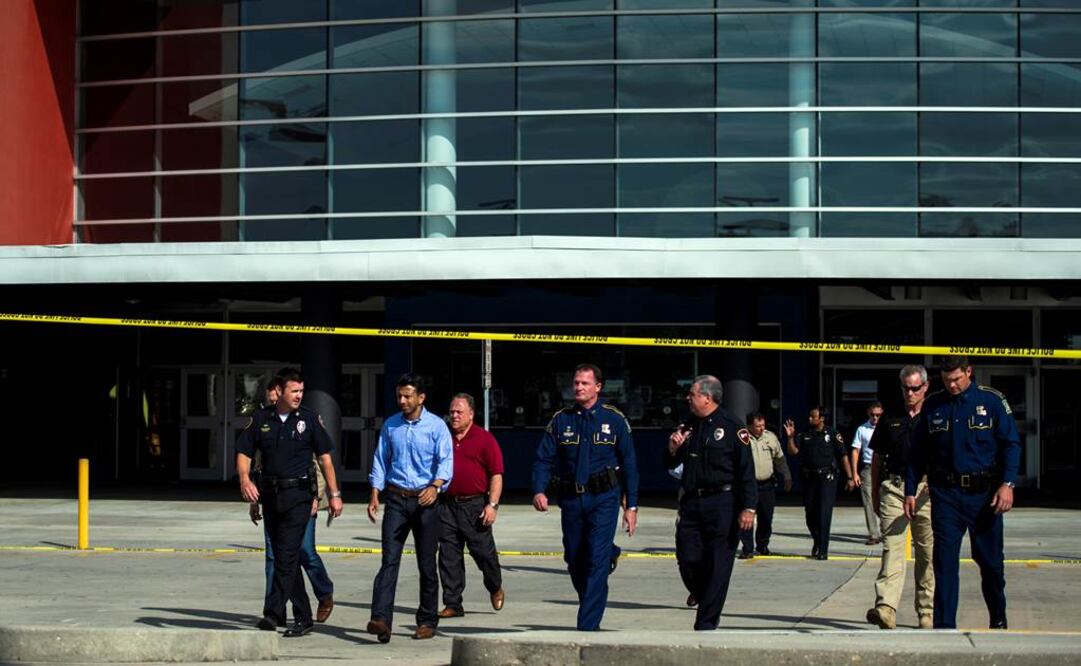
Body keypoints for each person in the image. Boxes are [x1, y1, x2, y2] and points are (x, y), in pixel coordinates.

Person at [906, 356, 1020, 630]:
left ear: (969, 372)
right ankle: (944, 628)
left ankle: (998, 618)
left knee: (991, 564)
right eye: (946, 381)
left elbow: (1011, 444)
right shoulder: (934, 404)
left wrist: (1007, 484)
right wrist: (910, 490)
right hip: (946, 495)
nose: (952, 385)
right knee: (944, 564)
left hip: (984, 496)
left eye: (956, 379)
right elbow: (917, 452)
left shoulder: (991, 401)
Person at [236, 367, 343, 638]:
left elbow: (325, 458)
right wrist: (245, 481)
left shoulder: (307, 419)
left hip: (299, 497)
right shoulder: (261, 419)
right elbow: (244, 451)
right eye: (294, 391)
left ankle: (273, 614)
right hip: (272, 497)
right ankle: (303, 617)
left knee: (286, 556)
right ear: (279, 392)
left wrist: (334, 494)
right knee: (285, 558)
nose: (298, 396)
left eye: (301, 391)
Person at [532, 363, 639, 631]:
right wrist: (539, 489)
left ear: (598, 387)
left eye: (585, 383)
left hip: (604, 498)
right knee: (575, 558)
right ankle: (607, 560)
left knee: (596, 560)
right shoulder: (561, 420)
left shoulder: (614, 419)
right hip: (571, 499)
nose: (579, 387)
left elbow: (629, 464)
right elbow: (543, 458)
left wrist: (631, 505)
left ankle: (587, 625)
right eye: (576, 383)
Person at [366, 373, 453, 643]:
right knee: (389, 561)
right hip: (396, 500)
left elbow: (446, 460)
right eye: (399, 396)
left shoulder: (437, 426)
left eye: (407, 396)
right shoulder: (391, 426)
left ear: (421, 398)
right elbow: (381, 459)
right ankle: (381, 619)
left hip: (426, 502)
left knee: (427, 564)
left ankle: (427, 621)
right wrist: (374, 494)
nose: (402, 401)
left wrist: (435, 486)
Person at [665, 375, 756, 630]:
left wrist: (748, 508)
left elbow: (746, 471)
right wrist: (673, 448)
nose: (688, 398)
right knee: (687, 557)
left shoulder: (731, 427)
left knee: (718, 564)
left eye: (692, 394)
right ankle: (701, 591)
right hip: (693, 501)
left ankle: (705, 622)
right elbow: (672, 466)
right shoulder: (689, 426)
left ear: (707, 397)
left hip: (723, 502)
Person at [866, 365, 934, 630]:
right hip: (894, 488)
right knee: (892, 548)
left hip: (926, 491)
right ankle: (886, 607)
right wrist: (873, 492)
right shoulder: (890, 416)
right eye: (906, 388)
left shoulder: (935, 414)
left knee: (927, 553)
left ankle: (926, 611)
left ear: (925, 387)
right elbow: (877, 458)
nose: (910, 393)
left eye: (915, 388)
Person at [437, 393, 505, 618]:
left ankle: (495, 586)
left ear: (471, 414)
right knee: (448, 556)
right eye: (452, 411)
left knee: (484, 555)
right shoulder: (442, 435)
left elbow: (496, 474)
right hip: (446, 505)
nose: (454, 416)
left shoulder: (485, 439)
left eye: (459, 412)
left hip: (474, 506)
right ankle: (453, 603)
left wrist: (492, 505)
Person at [785, 406, 853, 560]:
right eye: (810, 416)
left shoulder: (832, 434)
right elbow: (793, 452)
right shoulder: (804, 434)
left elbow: (843, 455)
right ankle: (817, 539)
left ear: (821, 418)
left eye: (813, 416)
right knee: (810, 514)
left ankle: (823, 549)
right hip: (809, 478)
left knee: (824, 514)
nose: (810, 419)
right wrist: (790, 437)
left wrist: (849, 477)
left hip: (827, 478)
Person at [739, 412, 792, 558]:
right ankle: (748, 548)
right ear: (749, 426)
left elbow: (780, 459)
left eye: (763, 425)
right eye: (758, 426)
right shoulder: (741, 438)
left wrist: (787, 476)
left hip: (766, 484)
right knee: (747, 517)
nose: (761, 429)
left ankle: (763, 545)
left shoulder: (770, 437)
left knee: (766, 517)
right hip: (748, 485)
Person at [851, 402, 885, 546]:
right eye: (873, 415)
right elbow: (855, 451)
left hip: (885, 467)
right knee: (868, 501)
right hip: (868, 467)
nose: (875, 418)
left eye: (878, 415)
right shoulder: (862, 429)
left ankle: (887, 531)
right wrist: (854, 474)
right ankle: (873, 534)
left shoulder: (888, 427)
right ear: (868, 413)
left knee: (887, 500)